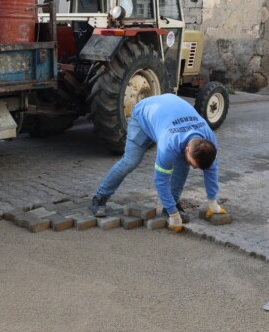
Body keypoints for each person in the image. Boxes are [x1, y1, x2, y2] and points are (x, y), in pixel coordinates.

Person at [88, 94, 226, 232]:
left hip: (167, 114)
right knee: (130, 161)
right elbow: (161, 180)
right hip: (143, 117)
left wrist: (213, 202)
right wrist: (174, 215)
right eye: (193, 163)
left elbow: (212, 170)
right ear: (187, 148)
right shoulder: (169, 145)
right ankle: (99, 198)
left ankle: (170, 204)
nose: (194, 167)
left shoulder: (209, 140)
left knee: (183, 165)